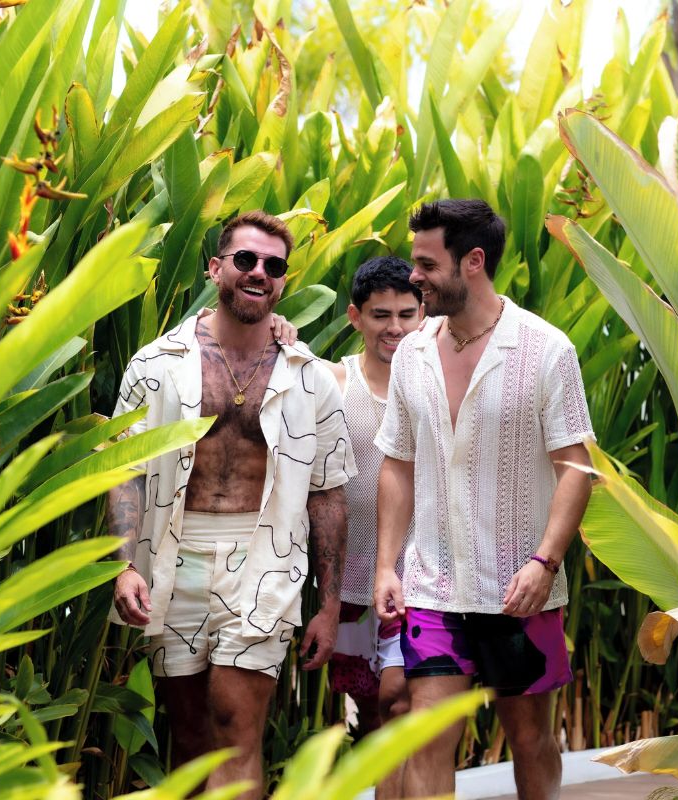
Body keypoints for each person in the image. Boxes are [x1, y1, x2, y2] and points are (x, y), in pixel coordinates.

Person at [107, 210, 354, 799]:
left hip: (265, 557)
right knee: (191, 740)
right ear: (216, 267)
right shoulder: (155, 365)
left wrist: (330, 604)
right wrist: (123, 565)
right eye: (246, 259)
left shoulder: (309, 376)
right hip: (172, 557)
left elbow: (328, 492)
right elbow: (125, 472)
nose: (259, 272)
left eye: (274, 266)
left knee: (235, 726)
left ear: (283, 282)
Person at [374, 199, 594, 800]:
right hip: (432, 586)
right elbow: (396, 462)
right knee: (425, 733)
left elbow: (576, 467)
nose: (413, 275)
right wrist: (387, 565)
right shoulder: (412, 354)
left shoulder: (546, 350)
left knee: (529, 739)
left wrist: (544, 562)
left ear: (473, 261)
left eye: (425, 263)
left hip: (520, 589)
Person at [324, 256, 424, 797]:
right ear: (354, 317)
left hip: (419, 582)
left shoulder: (438, 386)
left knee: (402, 702)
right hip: (350, 589)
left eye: (408, 313)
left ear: (425, 313)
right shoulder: (334, 382)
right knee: (372, 712)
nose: (395, 327)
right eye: (381, 314)